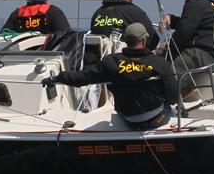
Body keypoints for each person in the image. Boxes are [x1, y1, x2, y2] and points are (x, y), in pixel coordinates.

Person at [41, 23, 173, 130]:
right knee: (170, 106)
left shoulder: (111, 62)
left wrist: (57, 78)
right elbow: (173, 95)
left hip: (129, 119)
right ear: (144, 41)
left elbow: (82, 78)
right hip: (155, 119)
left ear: (126, 41)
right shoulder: (160, 63)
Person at [162, 0, 214, 94]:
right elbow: (194, 25)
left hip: (203, 55)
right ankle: (185, 91)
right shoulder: (210, 3)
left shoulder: (195, 3)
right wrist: (173, 20)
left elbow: (184, 33)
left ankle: (170, 100)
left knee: (172, 69)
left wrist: (168, 48)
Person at [90, 0, 159, 50]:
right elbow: (153, 41)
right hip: (124, 61)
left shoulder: (98, 13)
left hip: (98, 60)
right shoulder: (136, 13)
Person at [0, 0, 71, 34]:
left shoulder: (18, 13)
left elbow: (4, 34)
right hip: (47, 54)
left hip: (21, 54)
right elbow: (66, 36)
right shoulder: (54, 12)